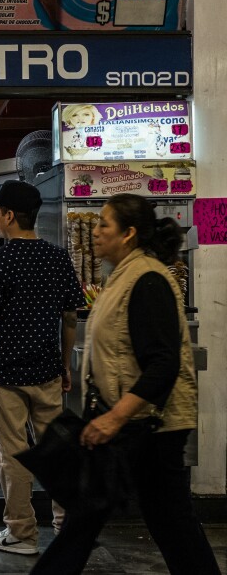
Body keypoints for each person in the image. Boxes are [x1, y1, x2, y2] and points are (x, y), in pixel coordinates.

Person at [31, 194, 219, 574]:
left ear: (129, 233)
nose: (96, 232)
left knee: (146, 521)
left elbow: (163, 362)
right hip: (131, 424)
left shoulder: (147, 279)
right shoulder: (123, 275)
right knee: (155, 521)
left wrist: (114, 418)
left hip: (148, 427)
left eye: (104, 224)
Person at [0, 180, 85, 555]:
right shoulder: (58, 257)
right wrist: (65, 365)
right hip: (47, 373)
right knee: (56, 453)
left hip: (7, 376)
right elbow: (69, 317)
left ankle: (21, 533)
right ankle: (67, 528)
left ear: (10, 216)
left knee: (13, 454)